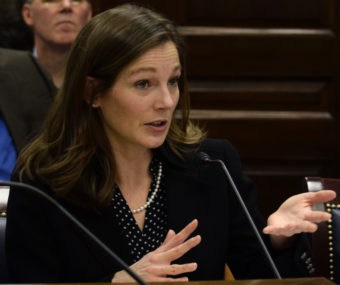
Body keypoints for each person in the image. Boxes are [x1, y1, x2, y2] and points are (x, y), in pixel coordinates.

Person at [5, 4, 336, 283]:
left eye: (173, 81)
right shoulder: (43, 182)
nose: (166, 101)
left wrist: (278, 239)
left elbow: (264, 277)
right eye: (144, 83)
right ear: (93, 92)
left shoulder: (212, 166)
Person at [0, 0, 92, 181]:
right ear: (27, 14)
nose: (66, 6)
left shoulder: (106, 83)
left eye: (76, 0)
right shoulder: (4, 78)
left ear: (89, 15)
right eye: (51, 0)